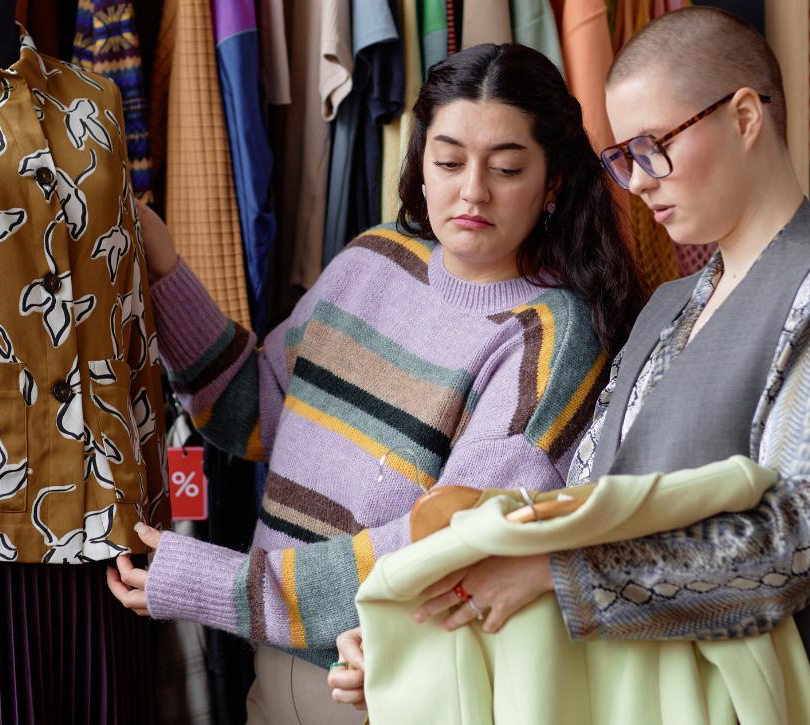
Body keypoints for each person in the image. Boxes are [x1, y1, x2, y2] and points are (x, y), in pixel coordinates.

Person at [330, 9, 810, 722]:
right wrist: (424, 625)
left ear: (744, 115)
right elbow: (583, 510)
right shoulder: (666, 308)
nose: (635, 181)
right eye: (620, 157)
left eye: (652, 147)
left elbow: (788, 548)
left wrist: (551, 577)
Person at [106, 43, 641, 724]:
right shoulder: (374, 258)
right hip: (276, 669)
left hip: (392, 685)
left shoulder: (551, 336)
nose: (472, 190)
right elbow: (254, 411)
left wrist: (228, 586)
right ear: (418, 160)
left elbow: (447, 547)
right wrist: (164, 270)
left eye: (506, 168)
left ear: (554, 179)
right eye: (448, 161)